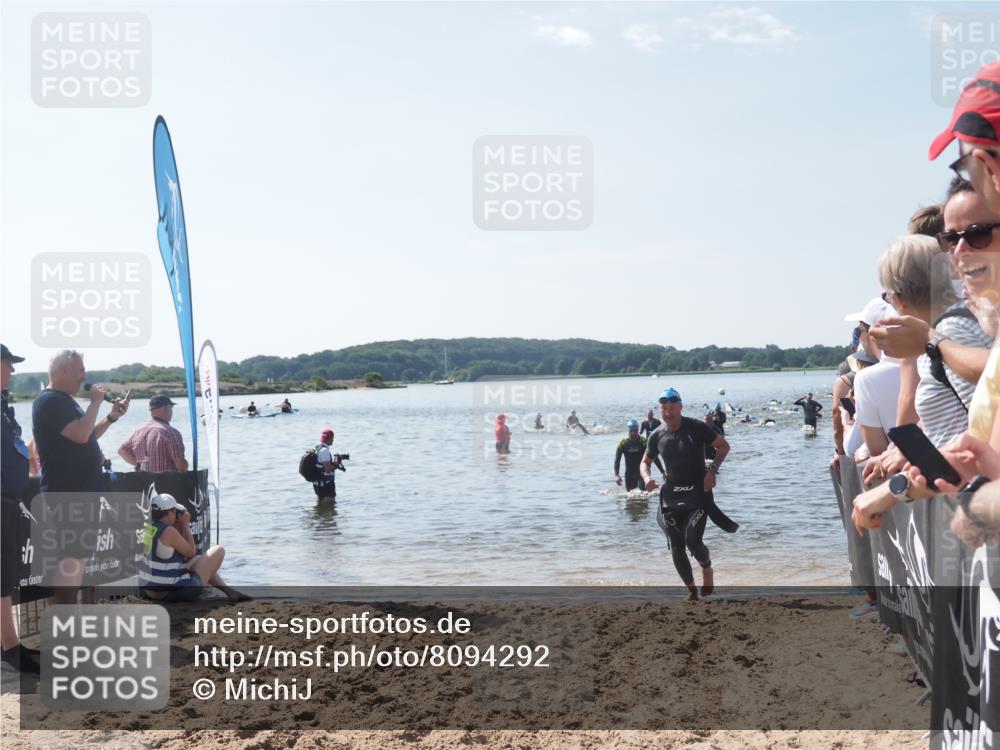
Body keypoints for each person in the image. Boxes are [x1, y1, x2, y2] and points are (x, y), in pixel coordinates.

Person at [32, 350, 130, 604]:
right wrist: (96, 403)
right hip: (67, 492)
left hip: (83, 491)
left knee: (78, 558)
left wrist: (111, 417)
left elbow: (87, 436)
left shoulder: (65, 401)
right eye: (80, 370)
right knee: (71, 559)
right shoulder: (50, 401)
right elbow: (80, 435)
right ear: (63, 371)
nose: (84, 376)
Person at [640, 388, 731, 601]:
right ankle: (691, 591)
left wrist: (712, 471)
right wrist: (646, 478)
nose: (668, 413)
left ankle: (706, 568)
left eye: (672, 408)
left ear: (680, 407)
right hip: (670, 495)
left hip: (698, 494)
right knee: (676, 542)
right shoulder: (657, 435)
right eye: (664, 409)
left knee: (692, 539)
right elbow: (645, 462)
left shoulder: (696, 428)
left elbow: (723, 447)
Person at [0, 345, 39, 674]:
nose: (12, 371)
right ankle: (11, 647)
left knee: (6, 574)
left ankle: (8, 644)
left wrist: (30, 451)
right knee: (3, 576)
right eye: (7, 365)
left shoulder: (4, 406)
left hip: (9, 498)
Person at [139, 493, 249, 603]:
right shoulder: (168, 531)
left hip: (150, 590)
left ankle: (230, 592)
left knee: (198, 560)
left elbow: (176, 555)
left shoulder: (147, 527)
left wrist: (178, 526)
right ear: (170, 513)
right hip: (173, 593)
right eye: (174, 511)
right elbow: (191, 552)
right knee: (218, 550)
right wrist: (186, 525)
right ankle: (218, 590)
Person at [117, 395, 188, 473]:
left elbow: (122, 451)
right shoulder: (170, 432)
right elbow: (181, 466)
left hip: (145, 483)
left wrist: (138, 465)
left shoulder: (139, 431)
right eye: (171, 407)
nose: (172, 411)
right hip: (167, 483)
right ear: (165, 408)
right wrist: (186, 465)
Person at [614, 419, 664, 491]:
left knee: (643, 493)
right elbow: (617, 460)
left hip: (643, 473)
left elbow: (654, 457)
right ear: (628, 431)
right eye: (631, 431)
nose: (633, 433)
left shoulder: (643, 442)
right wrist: (616, 475)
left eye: (635, 431)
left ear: (638, 430)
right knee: (630, 496)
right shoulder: (623, 443)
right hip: (629, 475)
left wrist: (662, 472)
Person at [313, 428, 346, 503]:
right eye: (332, 438)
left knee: (321, 504)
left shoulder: (316, 448)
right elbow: (327, 470)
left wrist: (334, 463)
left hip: (318, 483)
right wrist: (337, 463)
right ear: (330, 438)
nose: (333, 440)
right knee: (329, 507)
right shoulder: (324, 451)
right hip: (326, 484)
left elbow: (321, 465)